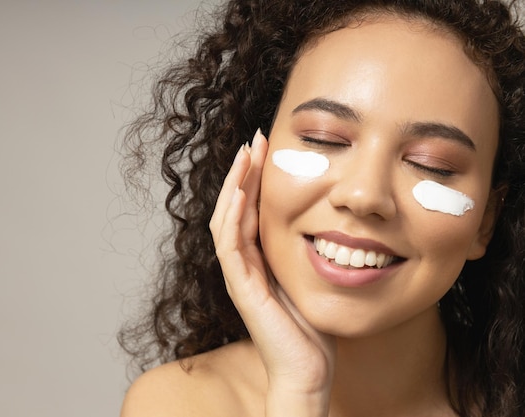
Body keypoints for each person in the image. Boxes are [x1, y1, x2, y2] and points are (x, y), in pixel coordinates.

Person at [118, 0, 525, 415]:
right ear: (253, 157)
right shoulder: (178, 404)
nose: (364, 195)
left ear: (486, 220)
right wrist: (301, 394)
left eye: (430, 164)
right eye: (324, 138)